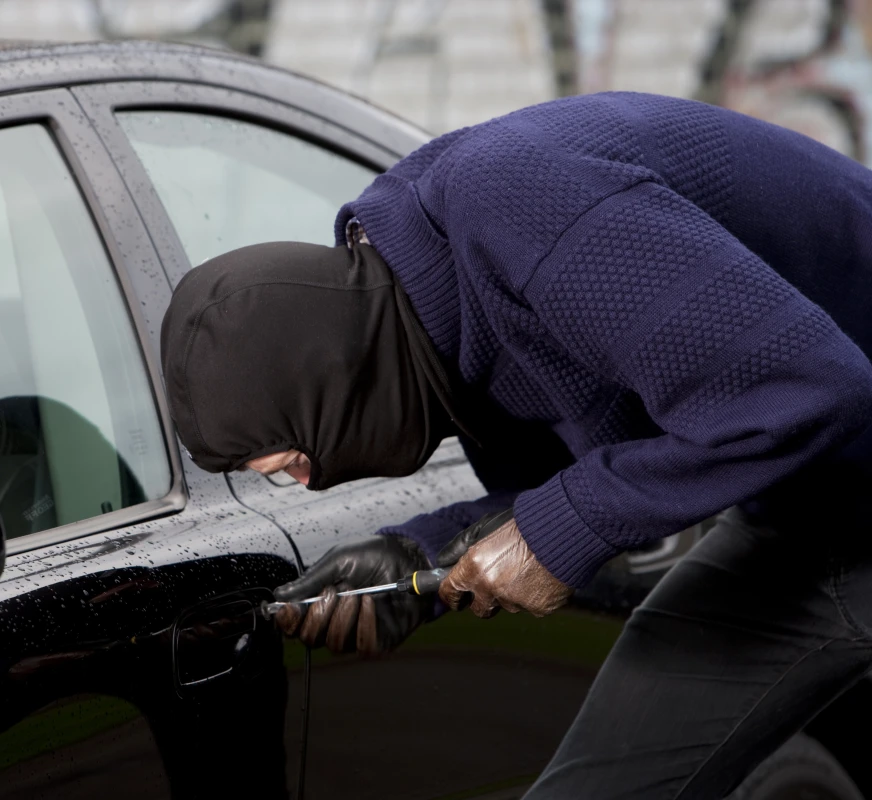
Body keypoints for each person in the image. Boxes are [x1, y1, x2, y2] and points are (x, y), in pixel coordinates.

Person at [159, 91, 872, 798]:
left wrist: (564, 526)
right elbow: (595, 466)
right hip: (807, 524)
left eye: (296, 460)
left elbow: (809, 390)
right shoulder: (436, 316)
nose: (312, 485)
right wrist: (424, 555)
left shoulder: (522, 206)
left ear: (326, 375)